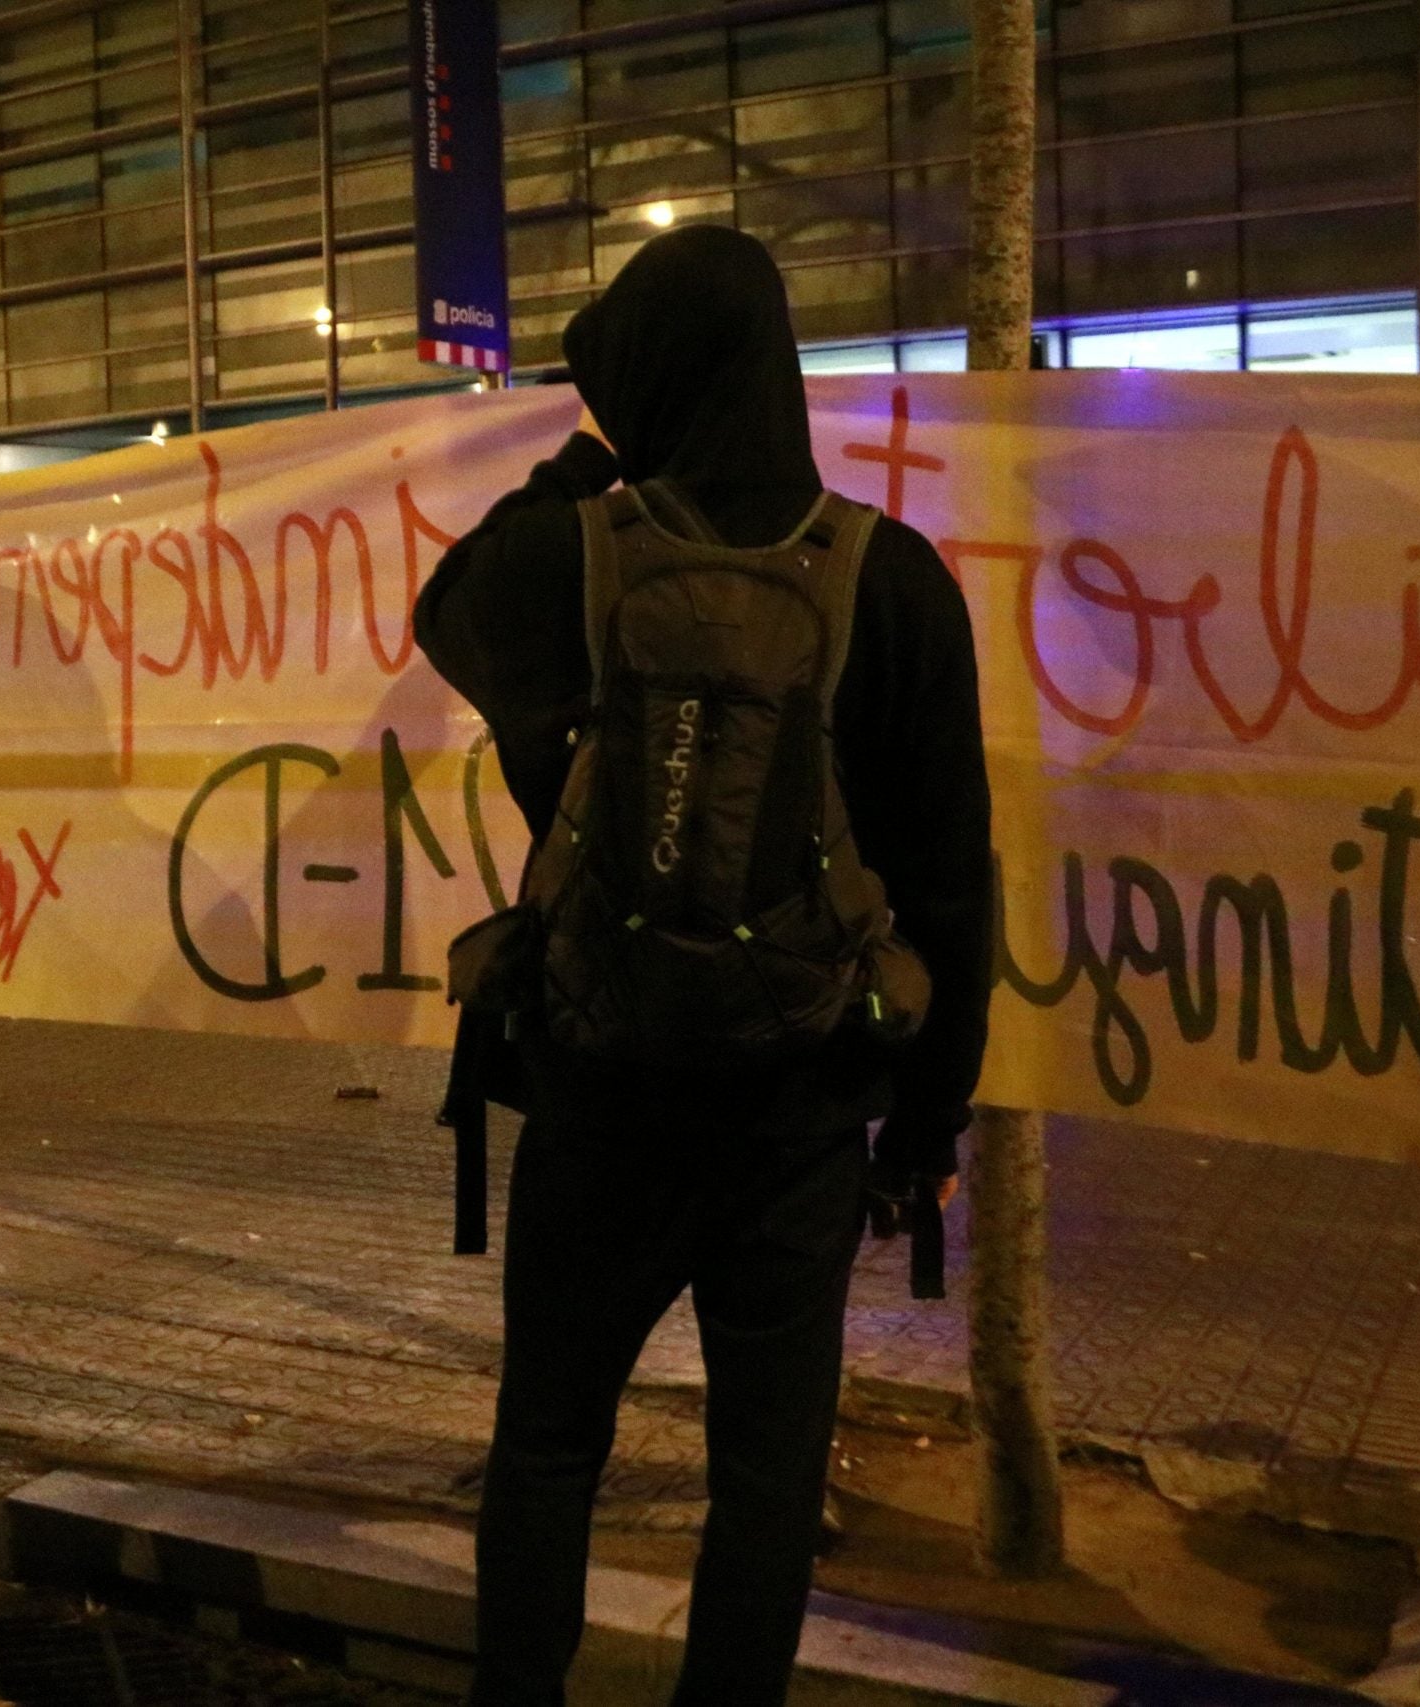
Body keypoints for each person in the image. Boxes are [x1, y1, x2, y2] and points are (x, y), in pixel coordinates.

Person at [414, 227, 994, 1705]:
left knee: (549, 1442)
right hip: (795, 1119)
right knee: (763, 1479)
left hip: (596, 1094)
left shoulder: (571, 556)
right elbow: (951, 889)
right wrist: (923, 1130)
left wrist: (573, 476)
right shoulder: (896, 579)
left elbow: (444, 607)